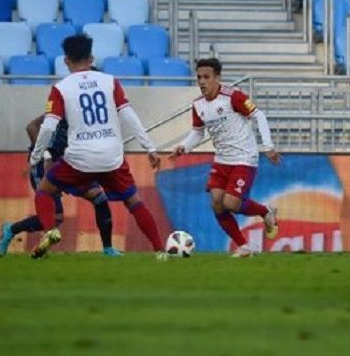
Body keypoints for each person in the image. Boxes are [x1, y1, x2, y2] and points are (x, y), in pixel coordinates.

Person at [28, 34, 167, 260]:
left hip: (79, 158)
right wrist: (149, 148)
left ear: (66, 61)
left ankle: (49, 231)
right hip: (112, 156)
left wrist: (37, 155)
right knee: (134, 202)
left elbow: (48, 126)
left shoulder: (61, 88)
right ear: (92, 57)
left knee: (45, 190)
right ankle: (160, 250)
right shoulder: (110, 81)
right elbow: (128, 115)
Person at [169, 58, 281, 258]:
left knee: (231, 203)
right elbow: (197, 132)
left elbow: (259, 115)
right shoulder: (198, 105)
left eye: (206, 77)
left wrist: (268, 146)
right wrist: (183, 147)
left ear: (217, 78)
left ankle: (265, 211)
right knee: (217, 203)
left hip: (244, 157)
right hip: (222, 159)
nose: (202, 82)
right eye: (199, 77)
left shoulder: (233, 96)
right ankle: (244, 246)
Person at [0, 114, 123, 257]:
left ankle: (108, 250)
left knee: (99, 198)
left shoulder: (89, 118)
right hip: (44, 165)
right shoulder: (60, 111)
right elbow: (31, 127)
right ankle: (11, 230)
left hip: (70, 164)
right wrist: (46, 156)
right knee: (56, 217)